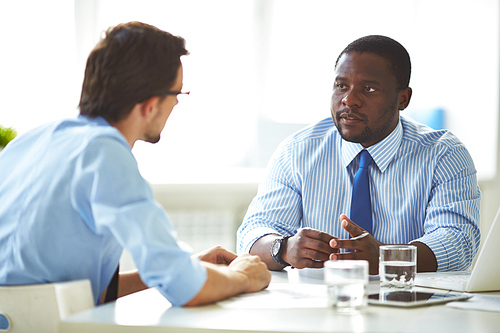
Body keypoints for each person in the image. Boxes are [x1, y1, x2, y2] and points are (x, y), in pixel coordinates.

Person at [0, 21, 270, 307]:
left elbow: (77, 295)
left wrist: (184, 267)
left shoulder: (29, 142)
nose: (177, 105)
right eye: (177, 93)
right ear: (151, 104)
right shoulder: (104, 152)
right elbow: (186, 289)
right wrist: (243, 276)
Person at [237, 35, 481, 275]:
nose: (349, 100)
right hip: (321, 302)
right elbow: (253, 233)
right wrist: (284, 248)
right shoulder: (297, 151)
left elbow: (458, 241)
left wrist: (389, 257)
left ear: (402, 99)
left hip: (412, 301)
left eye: (369, 89)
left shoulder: (444, 155)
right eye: (341, 86)